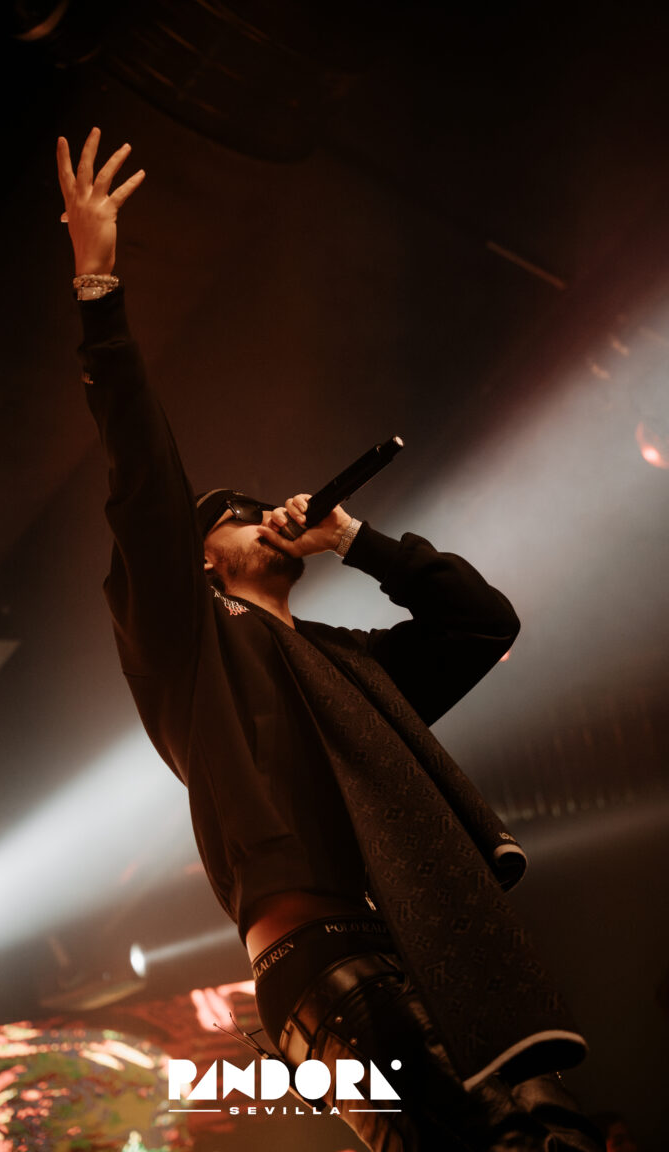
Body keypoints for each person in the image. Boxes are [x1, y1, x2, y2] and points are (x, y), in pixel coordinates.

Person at [56, 128, 605, 1152]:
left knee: (555, 1137)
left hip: (427, 937)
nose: (258, 514)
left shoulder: (356, 669)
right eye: (230, 516)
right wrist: (99, 288)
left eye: (260, 504)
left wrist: (354, 540)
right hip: (317, 959)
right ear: (199, 564)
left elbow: (482, 623)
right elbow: (143, 474)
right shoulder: (189, 651)